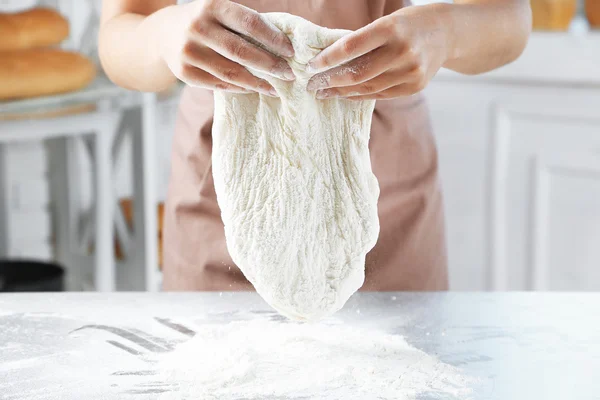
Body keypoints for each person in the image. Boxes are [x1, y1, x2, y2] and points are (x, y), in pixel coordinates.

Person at [99, 0, 531, 291]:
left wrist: (445, 32)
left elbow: (511, 16)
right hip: (223, 183)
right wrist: (163, 35)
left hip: (382, 178)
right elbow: (121, 30)